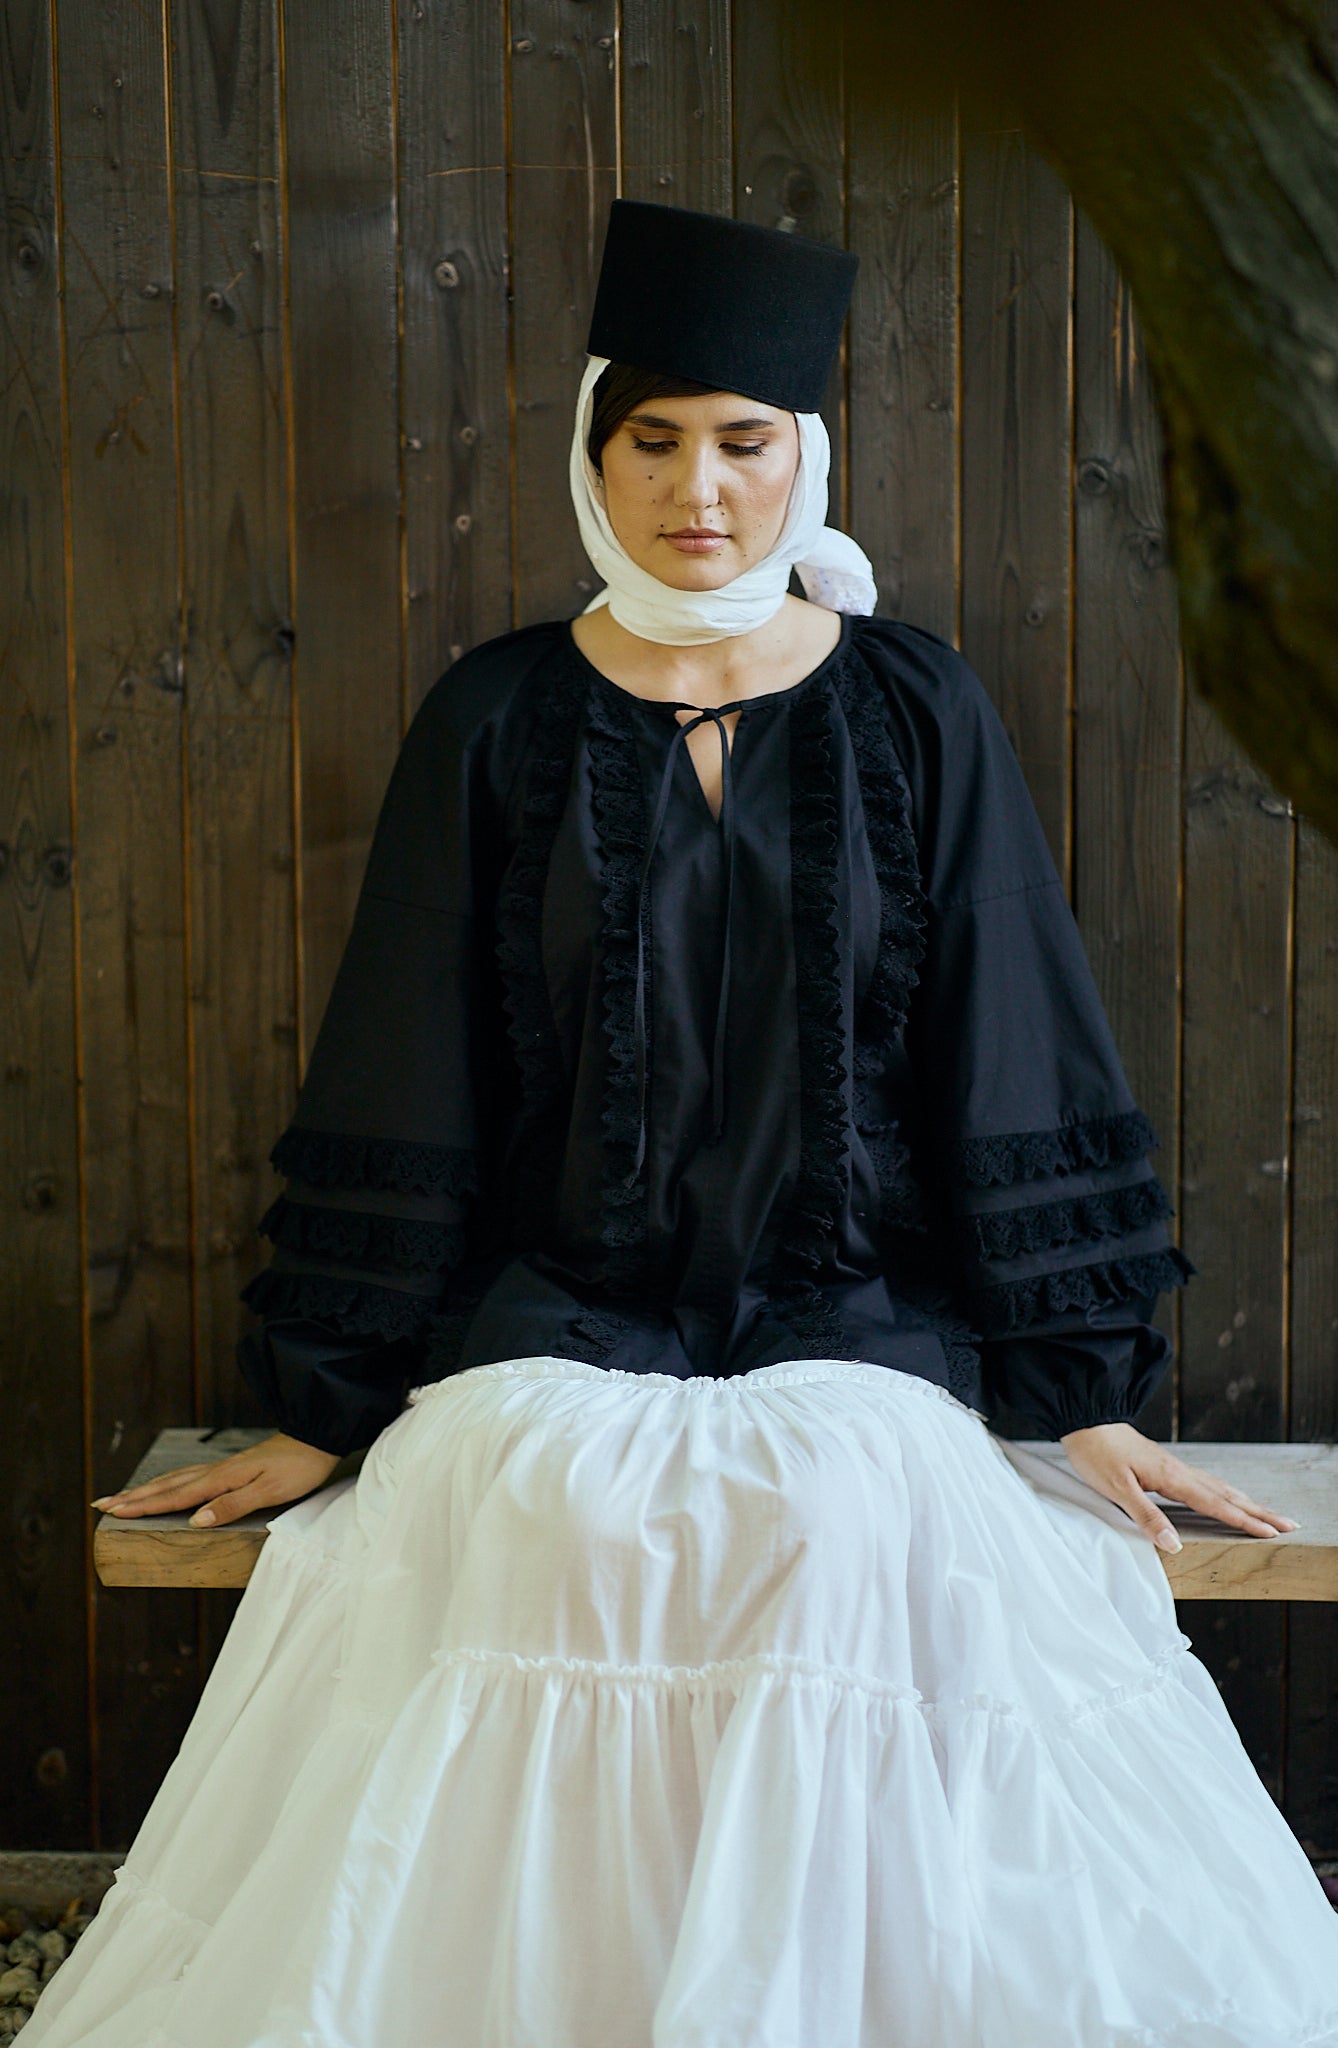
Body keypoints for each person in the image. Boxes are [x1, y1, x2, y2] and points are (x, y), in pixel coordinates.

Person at [36, 201, 1338, 2047]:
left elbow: (1013, 1036)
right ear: (592, 456)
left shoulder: (915, 706)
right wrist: (327, 1396)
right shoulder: (496, 714)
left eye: (743, 442)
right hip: (566, 1302)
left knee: (838, 1516)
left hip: (851, 1307)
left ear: (807, 459)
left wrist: (1079, 1381)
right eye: (650, 441)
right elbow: (404, 1060)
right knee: (553, 1513)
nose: (698, 491)